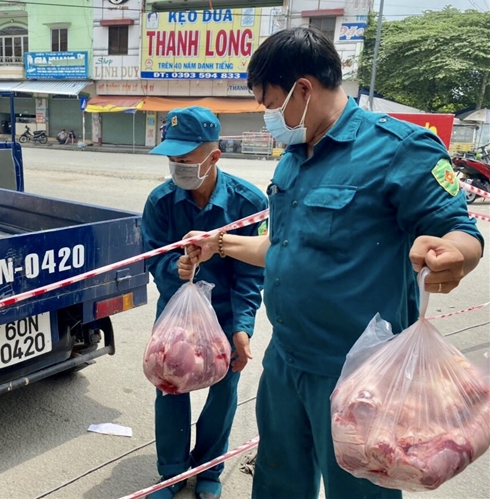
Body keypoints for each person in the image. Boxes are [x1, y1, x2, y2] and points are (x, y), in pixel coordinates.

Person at [185, 27, 484, 499]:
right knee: (278, 482)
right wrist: (219, 245)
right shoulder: (294, 158)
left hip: (359, 375)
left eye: (269, 104)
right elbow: (280, 248)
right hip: (285, 362)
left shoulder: (399, 149)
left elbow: (460, 231)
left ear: (303, 90)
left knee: (359, 491)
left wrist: (456, 254)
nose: (267, 118)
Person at [142, 106, 267, 499]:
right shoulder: (161, 202)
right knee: (170, 389)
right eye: (172, 158)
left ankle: (210, 468)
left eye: (186, 158)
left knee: (223, 394)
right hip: (176, 319)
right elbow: (151, 256)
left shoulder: (249, 202)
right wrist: (172, 268)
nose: (177, 165)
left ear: (214, 156)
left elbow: (252, 273)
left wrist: (242, 328)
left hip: (227, 315)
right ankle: (172, 473)